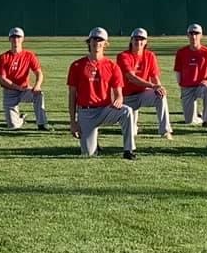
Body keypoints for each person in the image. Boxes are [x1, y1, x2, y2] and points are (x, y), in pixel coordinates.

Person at [67, 28, 137, 159]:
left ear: (105, 44)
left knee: (127, 111)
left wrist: (119, 99)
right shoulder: (77, 65)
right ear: (89, 42)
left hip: (105, 110)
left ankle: (129, 150)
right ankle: (93, 139)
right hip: (86, 112)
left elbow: (119, 93)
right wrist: (73, 122)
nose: (97, 42)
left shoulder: (112, 66)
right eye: (94, 39)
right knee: (88, 154)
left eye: (100, 40)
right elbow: (72, 95)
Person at [118, 28, 174, 139]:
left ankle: (165, 131)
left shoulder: (150, 56)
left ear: (146, 42)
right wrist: (153, 86)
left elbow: (154, 77)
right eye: (136, 39)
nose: (139, 42)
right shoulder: (123, 56)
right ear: (131, 40)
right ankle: (133, 125)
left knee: (160, 96)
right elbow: (132, 78)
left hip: (142, 94)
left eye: (142, 39)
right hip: (126, 98)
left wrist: (159, 87)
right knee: (131, 133)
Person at [0, 27, 48, 130]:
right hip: (9, 92)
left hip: (24, 90)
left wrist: (37, 86)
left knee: (39, 94)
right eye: (13, 37)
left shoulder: (29, 55)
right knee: (13, 126)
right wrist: (17, 87)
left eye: (18, 37)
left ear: (23, 39)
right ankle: (21, 119)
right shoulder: (3, 57)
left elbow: (39, 72)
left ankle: (42, 124)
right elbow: (2, 79)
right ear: (9, 39)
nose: (16, 40)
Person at [173, 23, 207, 128]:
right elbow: (178, 71)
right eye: (191, 33)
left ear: (201, 35)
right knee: (189, 121)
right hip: (187, 88)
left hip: (201, 86)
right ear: (187, 35)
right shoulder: (181, 52)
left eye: (196, 33)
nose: (194, 36)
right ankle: (198, 117)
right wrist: (181, 86)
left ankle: (206, 120)